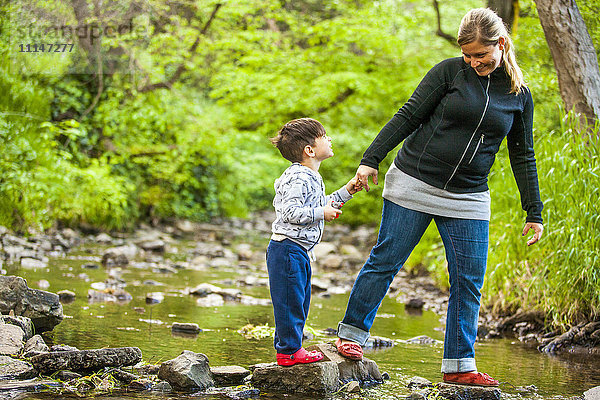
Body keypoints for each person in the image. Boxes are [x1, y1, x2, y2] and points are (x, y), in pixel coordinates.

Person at [335, 8, 544, 387]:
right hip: (415, 180)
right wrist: (370, 159)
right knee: (385, 260)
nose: (473, 62)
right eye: (468, 55)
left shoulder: (519, 94)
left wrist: (534, 209)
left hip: (468, 196)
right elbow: (409, 115)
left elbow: (522, 154)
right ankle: (351, 337)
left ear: (500, 44)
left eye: (481, 55)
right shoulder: (449, 72)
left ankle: (459, 366)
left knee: (469, 280)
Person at [267, 117, 361, 366]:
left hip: (298, 250)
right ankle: (288, 352)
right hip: (287, 249)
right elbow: (290, 213)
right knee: (290, 302)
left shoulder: (309, 176)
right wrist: (322, 213)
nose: (329, 139)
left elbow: (320, 204)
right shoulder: (299, 177)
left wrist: (347, 191)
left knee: (299, 300)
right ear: (309, 150)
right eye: (325, 136)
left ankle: (291, 348)